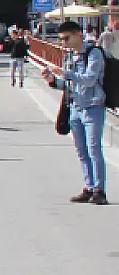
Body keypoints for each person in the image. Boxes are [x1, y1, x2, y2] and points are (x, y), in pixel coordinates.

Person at [43, 19, 108, 205]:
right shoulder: (70, 57)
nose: (64, 43)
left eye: (66, 38)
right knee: (82, 151)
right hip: (75, 107)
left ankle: (99, 190)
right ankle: (88, 187)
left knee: (94, 149)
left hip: (93, 106)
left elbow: (89, 79)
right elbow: (69, 85)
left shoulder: (94, 53)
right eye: (61, 39)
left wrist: (66, 73)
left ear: (78, 34)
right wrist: (53, 81)